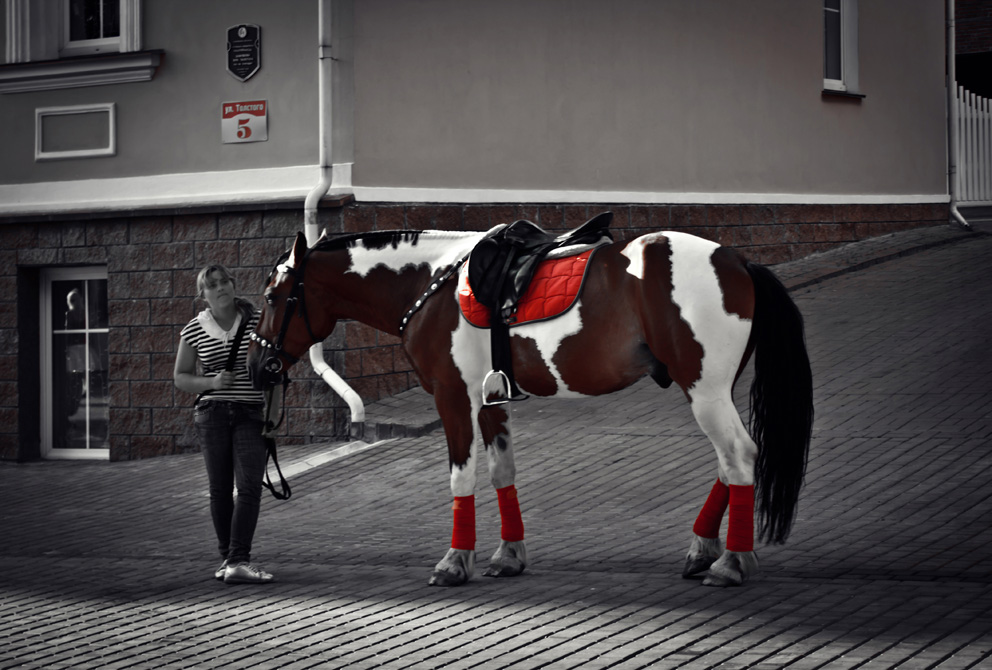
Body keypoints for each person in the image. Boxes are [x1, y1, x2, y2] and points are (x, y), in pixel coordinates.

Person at [174, 264, 274, 585]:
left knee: (248, 488)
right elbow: (181, 377)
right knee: (219, 489)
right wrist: (213, 382)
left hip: (250, 413)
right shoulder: (194, 328)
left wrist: (274, 414)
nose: (220, 288)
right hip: (211, 413)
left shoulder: (258, 320)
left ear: (233, 284)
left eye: (224, 281)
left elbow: (274, 369)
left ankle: (237, 559)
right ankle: (229, 560)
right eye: (211, 285)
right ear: (203, 295)